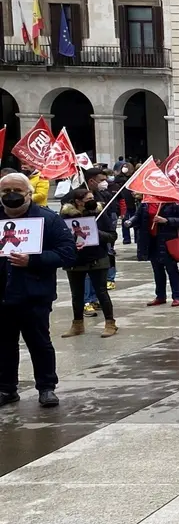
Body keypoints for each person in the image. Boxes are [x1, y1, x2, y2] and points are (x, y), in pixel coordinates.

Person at [0, 173, 77, 407]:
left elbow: (68, 253)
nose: (11, 195)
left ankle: (46, 388)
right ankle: (6, 389)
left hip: (34, 294)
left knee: (39, 343)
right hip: (3, 295)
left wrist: (33, 260)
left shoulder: (48, 220)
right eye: (5, 191)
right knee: (4, 345)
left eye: (17, 190)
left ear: (29, 193)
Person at [60, 188, 119, 339]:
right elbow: (60, 236)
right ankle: (77, 324)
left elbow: (112, 236)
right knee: (77, 294)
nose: (92, 201)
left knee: (101, 291)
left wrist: (96, 233)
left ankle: (110, 323)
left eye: (93, 198)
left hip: (97, 258)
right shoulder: (65, 215)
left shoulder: (99, 213)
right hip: (75, 259)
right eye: (88, 199)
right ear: (78, 202)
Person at [130, 193, 179, 306]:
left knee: (171, 269)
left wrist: (166, 220)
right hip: (151, 241)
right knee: (157, 270)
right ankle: (160, 296)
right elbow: (138, 216)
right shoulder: (146, 202)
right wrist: (130, 222)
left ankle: (177, 296)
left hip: (168, 241)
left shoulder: (173, 202)